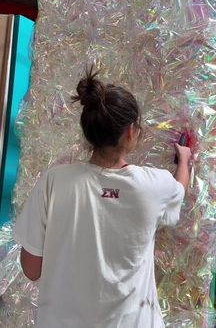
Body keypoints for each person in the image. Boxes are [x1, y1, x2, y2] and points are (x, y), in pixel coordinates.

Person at [13, 67, 191, 328]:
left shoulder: (54, 182)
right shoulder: (153, 185)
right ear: (131, 132)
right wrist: (184, 159)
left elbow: (31, 269)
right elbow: (180, 189)